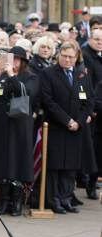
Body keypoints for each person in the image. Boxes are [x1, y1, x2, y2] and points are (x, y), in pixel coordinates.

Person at [0, 47, 39, 216]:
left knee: (17, 162)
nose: (14, 63)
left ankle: (17, 201)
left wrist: (12, 76)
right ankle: (4, 200)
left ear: (23, 62)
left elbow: (26, 93)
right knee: (2, 163)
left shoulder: (30, 77)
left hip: (19, 126)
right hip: (0, 125)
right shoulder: (1, 77)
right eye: (12, 59)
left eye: (17, 60)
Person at [40, 42, 95, 214]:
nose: (67, 59)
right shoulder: (48, 73)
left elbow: (89, 101)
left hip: (76, 129)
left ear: (77, 57)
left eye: (71, 57)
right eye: (64, 56)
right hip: (57, 127)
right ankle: (53, 200)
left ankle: (66, 199)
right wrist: (67, 121)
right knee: (54, 167)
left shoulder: (82, 74)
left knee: (70, 167)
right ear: (59, 55)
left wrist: (78, 121)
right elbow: (48, 101)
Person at [82, 28, 102, 199]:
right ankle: (90, 182)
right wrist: (92, 108)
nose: (100, 42)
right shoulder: (86, 56)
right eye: (96, 39)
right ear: (90, 39)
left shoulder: (98, 55)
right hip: (94, 108)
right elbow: (89, 84)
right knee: (94, 150)